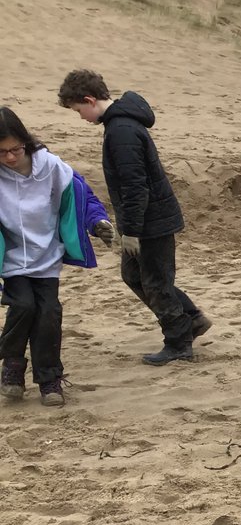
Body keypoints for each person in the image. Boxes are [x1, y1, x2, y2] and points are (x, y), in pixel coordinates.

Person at [58, 69, 211, 366]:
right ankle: (190, 319)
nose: (80, 117)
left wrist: (130, 231)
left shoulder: (121, 130)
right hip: (147, 219)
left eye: (78, 110)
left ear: (90, 100)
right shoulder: (119, 125)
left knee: (155, 282)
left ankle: (179, 342)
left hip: (151, 222)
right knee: (133, 275)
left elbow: (135, 186)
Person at [0, 107, 113, 406]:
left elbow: (82, 195)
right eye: (1, 152)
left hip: (46, 257)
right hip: (11, 259)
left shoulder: (50, 167)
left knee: (49, 314)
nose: (10, 158)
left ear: (25, 141)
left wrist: (97, 222)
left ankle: (49, 380)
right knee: (23, 305)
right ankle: (12, 365)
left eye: (15, 149)